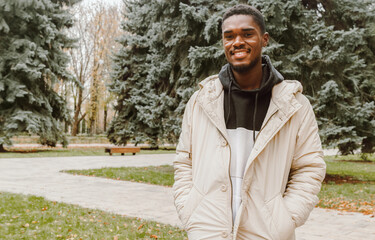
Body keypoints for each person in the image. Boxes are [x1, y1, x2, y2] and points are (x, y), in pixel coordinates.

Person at [173, 4, 326, 240]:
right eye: (229, 36)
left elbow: (310, 167)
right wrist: (189, 208)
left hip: (266, 233)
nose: (237, 42)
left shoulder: (294, 105)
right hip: (207, 231)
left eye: (247, 34)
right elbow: (184, 160)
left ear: (264, 39)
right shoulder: (201, 101)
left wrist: (285, 219)